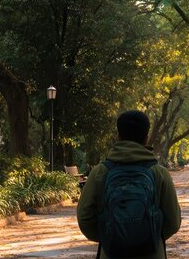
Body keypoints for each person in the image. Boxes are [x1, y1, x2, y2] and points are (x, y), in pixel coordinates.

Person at [77, 110, 182, 259]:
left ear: (118, 136)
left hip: (111, 253)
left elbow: (84, 217)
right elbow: (173, 221)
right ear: (146, 138)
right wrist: (150, 237)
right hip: (152, 253)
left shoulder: (100, 172)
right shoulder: (160, 173)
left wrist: (110, 237)